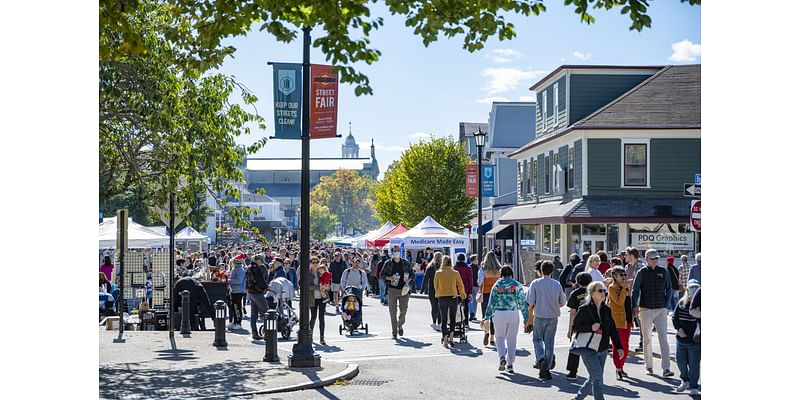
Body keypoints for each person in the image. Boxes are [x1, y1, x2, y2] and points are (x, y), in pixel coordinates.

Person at [569, 282, 625, 400]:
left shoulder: (607, 310)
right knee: (598, 378)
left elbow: (612, 330)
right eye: (600, 290)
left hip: (603, 348)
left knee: (594, 377)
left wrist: (619, 347)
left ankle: (578, 398)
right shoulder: (584, 309)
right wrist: (590, 327)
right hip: (588, 349)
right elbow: (575, 327)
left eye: (604, 290)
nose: (603, 293)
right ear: (592, 293)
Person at [631, 248, 675, 377]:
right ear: (647, 260)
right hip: (646, 309)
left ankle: (666, 368)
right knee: (647, 339)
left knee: (663, 338)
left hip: (661, 309)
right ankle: (649, 366)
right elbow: (635, 290)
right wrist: (635, 306)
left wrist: (666, 306)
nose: (655, 260)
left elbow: (669, 289)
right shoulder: (642, 272)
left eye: (656, 258)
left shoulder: (663, 271)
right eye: (652, 258)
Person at [525, 260, 567, 380]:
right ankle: (547, 367)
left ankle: (541, 358)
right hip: (553, 315)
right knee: (549, 342)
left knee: (537, 339)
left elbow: (530, 301)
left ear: (541, 270)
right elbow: (563, 301)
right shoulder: (556, 284)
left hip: (539, 314)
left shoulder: (535, 283)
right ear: (552, 271)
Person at [484, 265, 528, 374]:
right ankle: (510, 364)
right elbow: (522, 302)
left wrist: (487, 316)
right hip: (513, 313)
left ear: (501, 273)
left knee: (499, 337)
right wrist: (526, 317)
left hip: (499, 313)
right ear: (511, 273)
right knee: (512, 339)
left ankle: (502, 356)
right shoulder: (517, 285)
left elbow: (491, 302)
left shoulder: (497, 285)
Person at [673, 279, 701, 395]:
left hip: (694, 342)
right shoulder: (681, 303)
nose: (693, 291)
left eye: (696, 288)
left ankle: (694, 386)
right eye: (691, 288)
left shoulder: (700, 305)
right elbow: (675, 318)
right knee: (680, 362)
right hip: (681, 340)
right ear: (687, 290)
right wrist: (679, 329)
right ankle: (685, 380)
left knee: (694, 365)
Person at [381, 245, 414, 339]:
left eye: (398, 250)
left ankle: (400, 324)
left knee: (403, 310)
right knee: (392, 311)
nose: (396, 252)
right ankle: (394, 332)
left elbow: (413, 274)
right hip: (392, 289)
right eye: (395, 250)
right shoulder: (388, 263)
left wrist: (409, 279)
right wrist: (389, 278)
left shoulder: (405, 263)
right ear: (392, 252)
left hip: (404, 289)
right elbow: (381, 274)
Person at [565, 272, 593, 380]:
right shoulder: (594, 291)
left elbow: (572, 312)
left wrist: (570, 329)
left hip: (578, 324)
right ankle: (593, 371)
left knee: (575, 348)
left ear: (578, 281)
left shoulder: (575, 293)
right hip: (592, 323)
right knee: (591, 348)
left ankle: (572, 372)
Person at [434, 255, 467, 348]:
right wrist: (463, 295)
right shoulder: (455, 273)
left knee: (444, 320)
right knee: (453, 318)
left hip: (442, 297)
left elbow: (435, 285)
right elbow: (460, 285)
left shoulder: (438, 273)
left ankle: (445, 339)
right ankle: (451, 337)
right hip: (453, 297)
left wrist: (437, 293)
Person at [607, 267, 633, 380]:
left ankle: (621, 366)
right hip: (617, 321)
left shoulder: (626, 287)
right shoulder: (612, 288)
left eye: (625, 275)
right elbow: (619, 302)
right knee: (618, 345)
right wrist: (623, 289)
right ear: (615, 276)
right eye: (621, 275)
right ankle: (618, 368)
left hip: (627, 319)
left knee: (626, 346)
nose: (624, 277)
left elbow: (628, 302)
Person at [478, 251, 502, 346]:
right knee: (495, 316)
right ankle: (492, 336)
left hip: (486, 293)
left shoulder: (483, 269)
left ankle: (486, 332)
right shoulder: (499, 269)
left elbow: (479, 282)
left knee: (486, 314)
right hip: (497, 294)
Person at [245, 254, 270, 340]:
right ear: (258, 260)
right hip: (258, 292)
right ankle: (268, 333)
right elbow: (261, 280)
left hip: (251, 292)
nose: (261, 263)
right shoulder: (257, 268)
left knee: (254, 314)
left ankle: (254, 332)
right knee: (267, 313)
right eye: (261, 261)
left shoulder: (248, 268)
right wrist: (266, 287)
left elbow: (247, 281)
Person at [308, 258, 330, 345]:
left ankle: (322, 338)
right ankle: (310, 336)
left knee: (321, 318)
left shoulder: (321, 272)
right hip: (312, 298)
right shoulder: (308, 274)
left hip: (322, 298)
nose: (315, 264)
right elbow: (307, 287)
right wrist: (318, 287)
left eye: (317, 262)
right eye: (313, 262)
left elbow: (327, 282)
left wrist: (326, 286)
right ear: (310, 263)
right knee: (313, 317)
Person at [422, 252, 443, 330]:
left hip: (432, 288)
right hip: (441, 288)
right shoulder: (443, 267)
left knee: (434, 306)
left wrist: (422, 289)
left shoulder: (430, 267)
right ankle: (440, 323)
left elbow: (425, 278)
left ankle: (434, 322)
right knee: (440, 307)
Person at [453, 253, 473, 324]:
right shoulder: (468, 268)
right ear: (464, 259)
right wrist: (470, 292)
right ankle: (466, 321)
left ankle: (458, 321)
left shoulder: (454, 268)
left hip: (456, 290)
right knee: (465, 306)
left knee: (457, 306)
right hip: (466, 290)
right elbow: (470, 281)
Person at [227, 258, 246, 330]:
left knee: (237, 307)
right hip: (233, 290)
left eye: (233, 263)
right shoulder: (234, 270)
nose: (232, 264)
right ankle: (234, 322)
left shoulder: (240, 270)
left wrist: (229, 280)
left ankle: (238, 322)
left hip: (238, 291)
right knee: (233, 307)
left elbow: (239, 281)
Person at [468, 254, 480, 321]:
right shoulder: (477, 268)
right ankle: (473, 314)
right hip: (476, 286)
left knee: (470, 300)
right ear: (474, 260)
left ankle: (472, 313)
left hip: (470, 285)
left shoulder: (469, 267)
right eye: (476, 259)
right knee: (475, 301)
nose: (477, 260)